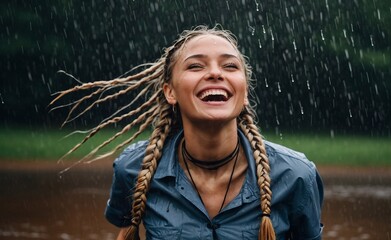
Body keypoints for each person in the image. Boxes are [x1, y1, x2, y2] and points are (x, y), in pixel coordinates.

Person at [52, 25, 323, 240]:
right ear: (170, 92)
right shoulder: (133, 169)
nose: (216, 73)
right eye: (196, 66)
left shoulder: (296, 175)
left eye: (230, 66)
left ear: (245, 93)